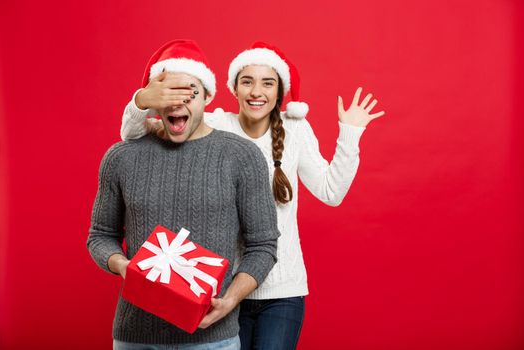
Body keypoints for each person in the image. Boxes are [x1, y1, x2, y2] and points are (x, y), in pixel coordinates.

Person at [120, 41, 385, 350]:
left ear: (279, 92)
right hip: (225, 289)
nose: (256, 91)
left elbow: (331, 192)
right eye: (247, 81)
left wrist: (349, 134)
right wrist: (141, 101)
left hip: (282, 293)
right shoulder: (216, 126)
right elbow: (135, 135)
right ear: (234, 89)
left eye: (267, 83)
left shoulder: (295, 130)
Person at [87, 39, 280, 350]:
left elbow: (264, 244)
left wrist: (229, 300)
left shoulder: (241, 156)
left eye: (189, 92)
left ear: (207, 96)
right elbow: (100, 235)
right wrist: (125, 267)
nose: (177, 104)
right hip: (136, 337)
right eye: (168, 93)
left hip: (213, 339)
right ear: (153, 99)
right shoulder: (121, 158)